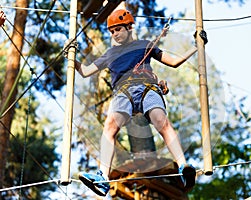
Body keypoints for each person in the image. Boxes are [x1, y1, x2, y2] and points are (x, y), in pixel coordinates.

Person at [74, 9, 198, 196]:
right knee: (110, 127)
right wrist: (72, 57)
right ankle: (103, 177)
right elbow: (85, 71)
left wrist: (197, 45)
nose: (115, 34)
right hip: (123, 92)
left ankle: (183, 167)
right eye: (112, 31)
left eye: (118, 29)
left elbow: (173, 62)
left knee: (161, 121)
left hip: (147, 87)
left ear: (129, 27)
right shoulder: (110, 53)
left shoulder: (144, 45)